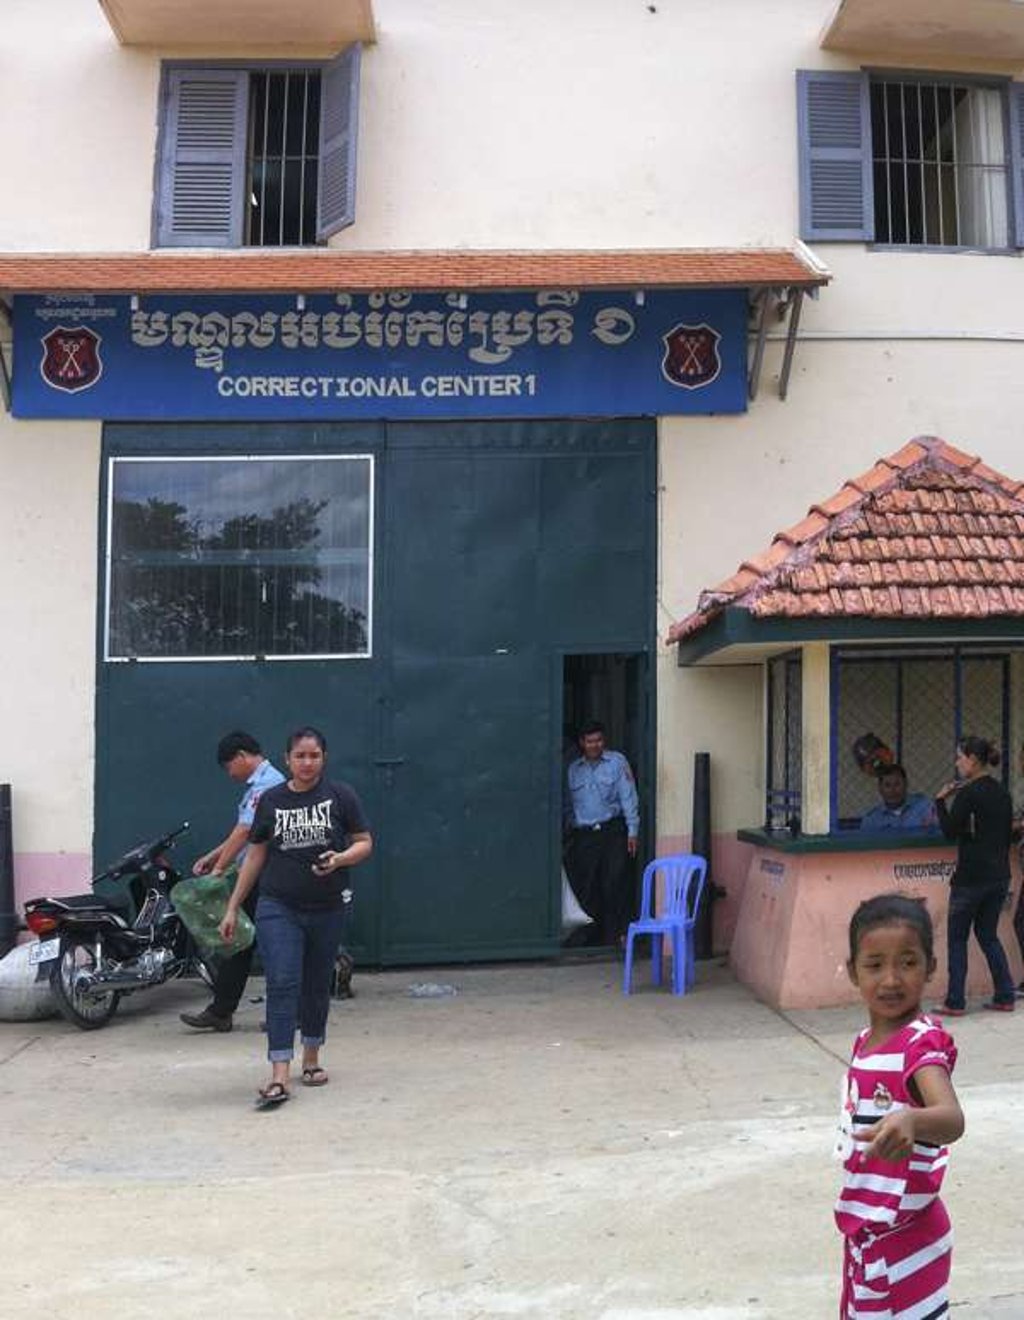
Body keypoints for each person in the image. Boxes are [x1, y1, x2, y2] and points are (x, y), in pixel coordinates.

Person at [219, 726, 372, 1109]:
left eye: (314, 756)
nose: (307, 763)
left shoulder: (341, 796)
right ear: (287, 759)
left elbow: (364, 842)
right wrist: (233, 905)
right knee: (282, 980)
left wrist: (340, 858)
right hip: (278, 905)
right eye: (300, 756)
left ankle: (312, 1057)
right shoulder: (271, 800)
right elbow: (255, 854)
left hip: (327, 906)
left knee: (316, 983)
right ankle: (278, 1075)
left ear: (324, 758)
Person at [836, 894, 964, 1320]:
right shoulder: (862, 1042)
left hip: (905, 1238)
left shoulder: (918, 1044)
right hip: (869, 1234)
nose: (890, 979)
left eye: (907, 962)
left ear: (931, 966)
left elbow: (950, 1118)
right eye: (875, 965)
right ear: (853, 971)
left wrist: (912, 1118)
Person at [180, 731, 285, 1033]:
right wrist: (215, 857)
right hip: (254, 874)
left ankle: (287, 1012)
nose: (230, 774)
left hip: (267, 876)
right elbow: (241, 831)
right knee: (239, 942)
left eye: (229, 767)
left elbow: (244, 833)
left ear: (242, 756)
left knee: (274, 944)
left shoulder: (267, 785)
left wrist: (218, 868)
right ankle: (221, 1011)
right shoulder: (259, 785)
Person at [934, 735, 1016, 1014]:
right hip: (999, 876)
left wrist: (940, 802)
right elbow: (1006, 835)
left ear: (972, 760)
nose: (957, 762)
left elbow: (949, 831)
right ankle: (1005, 995)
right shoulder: (1002, 793)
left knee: (958, 938)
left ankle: (955, 1001)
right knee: (988, 935)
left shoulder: (968, 793)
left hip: (970, 878)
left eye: (960, 757)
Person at [563, 720, 639, 946]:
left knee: (615, 882)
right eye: (590, 741)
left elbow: (629, 796)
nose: (595, 745)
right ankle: (590, 938)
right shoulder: (573, 769)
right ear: (582, 743)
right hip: (585, 835)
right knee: (588, 886)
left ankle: (620, 934)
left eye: (598, 740)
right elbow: (568, 805)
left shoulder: (617, 762)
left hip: (613, 831)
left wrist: (632, 831)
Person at [858, 764, 937, 833]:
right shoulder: (872, 820)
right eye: (887, 785)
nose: (893, 790)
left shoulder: (924, 807)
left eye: (897, 784)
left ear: (906, 784)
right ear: (880, 789)